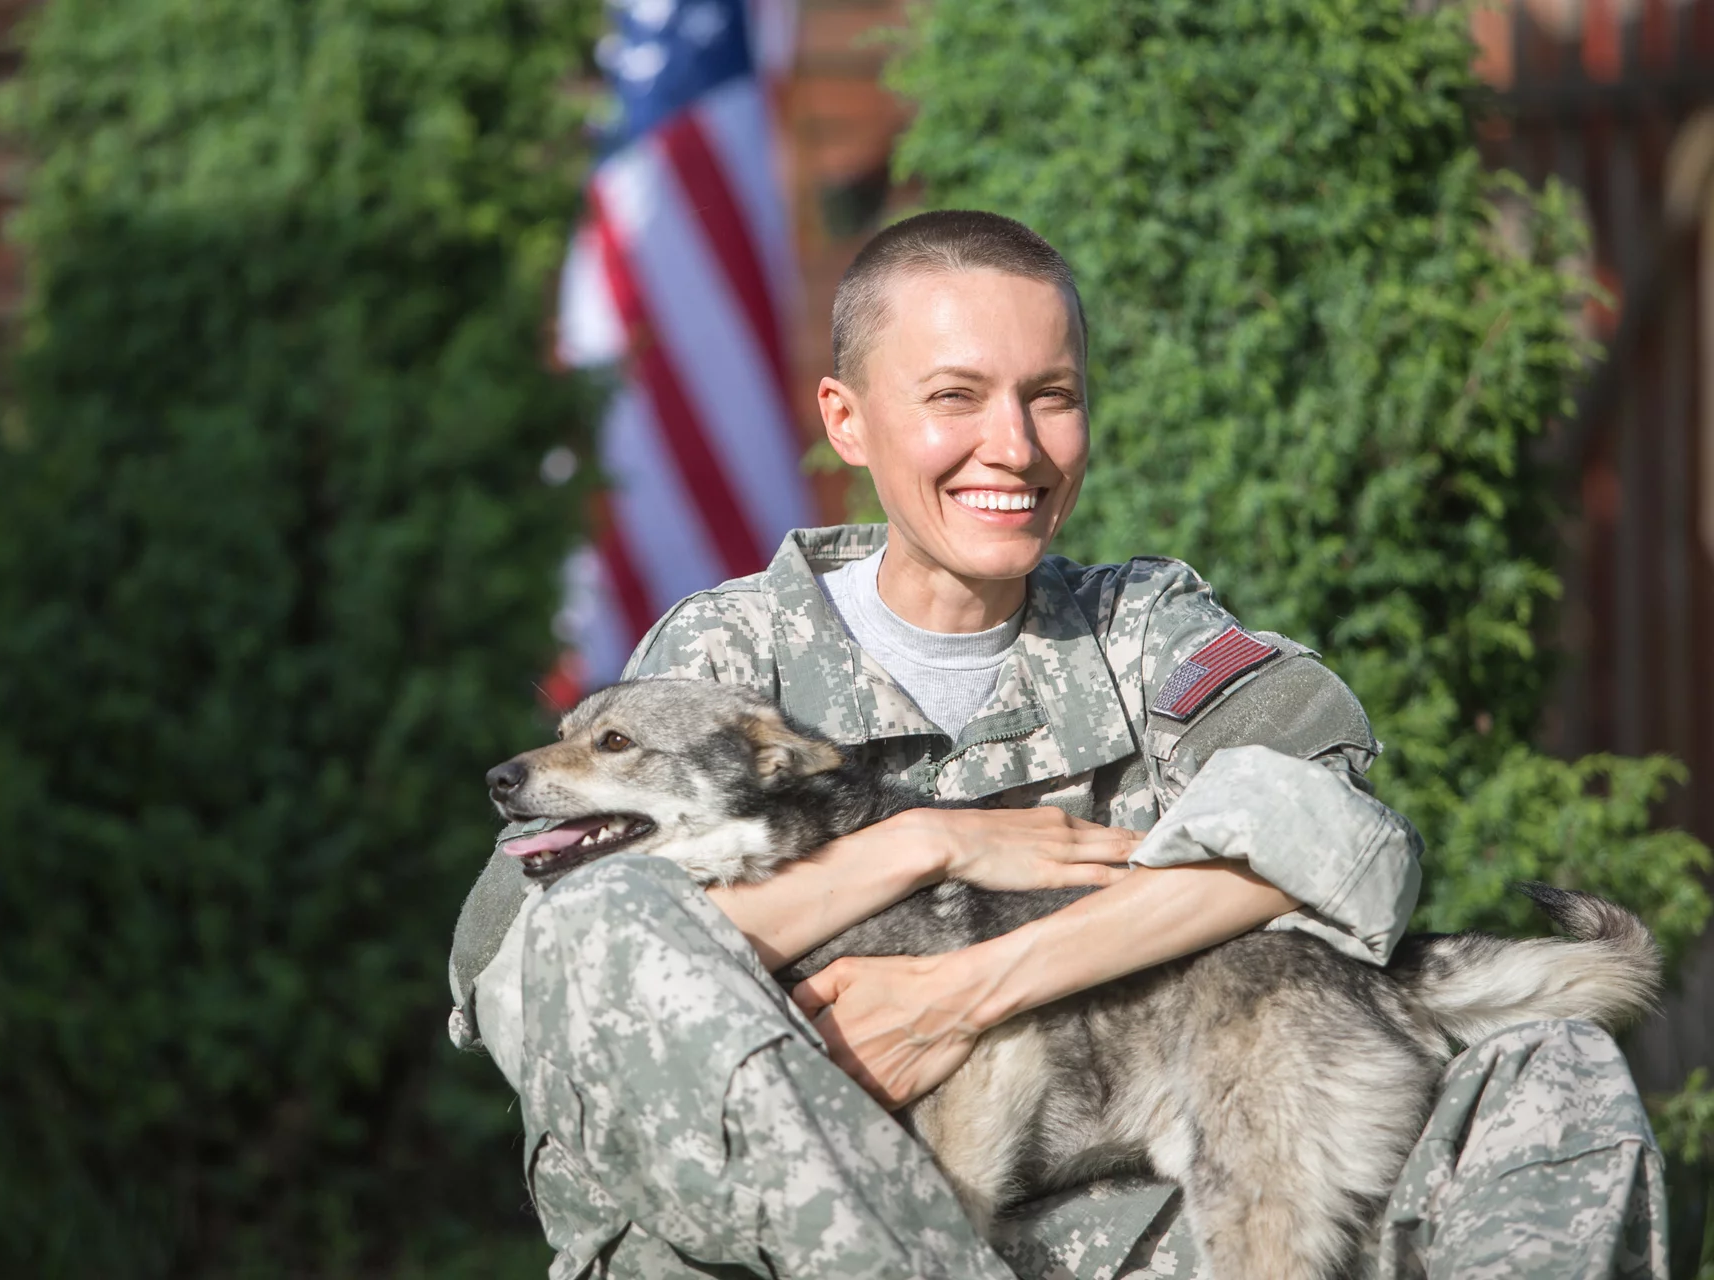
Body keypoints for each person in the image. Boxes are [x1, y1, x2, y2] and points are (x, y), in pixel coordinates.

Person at [448, 211, 1666, 1280]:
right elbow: (528, 960)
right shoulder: (718, 664)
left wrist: (958, 990)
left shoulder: (1148, 631)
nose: (1016, 448)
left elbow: (1342, 835)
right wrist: (918, 844)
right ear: (849, 419)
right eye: (955, 396)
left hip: (1134, 1213)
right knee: (607, 921)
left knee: (1550, 1069)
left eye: (1052, 394)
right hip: (794, 1232)